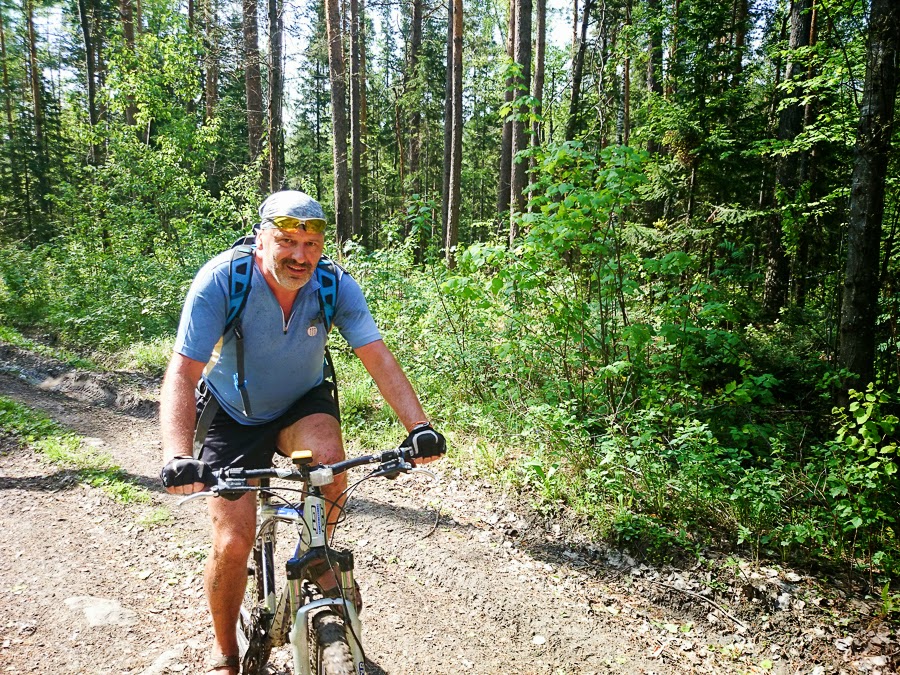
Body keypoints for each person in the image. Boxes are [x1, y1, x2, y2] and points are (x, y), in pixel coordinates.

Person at [158, 190, 446, 675]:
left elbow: (376, 356)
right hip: (233, 411)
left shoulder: (333, 284)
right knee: (233, 541)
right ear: (260, 240)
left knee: (332, 468)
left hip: (301, 403)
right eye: (287, 241)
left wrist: (419, 427)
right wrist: (177, 454)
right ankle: (226, 651)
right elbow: (184, 372)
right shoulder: (223, 281)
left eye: (311, 244)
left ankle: (316, 552)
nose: (300, 256)